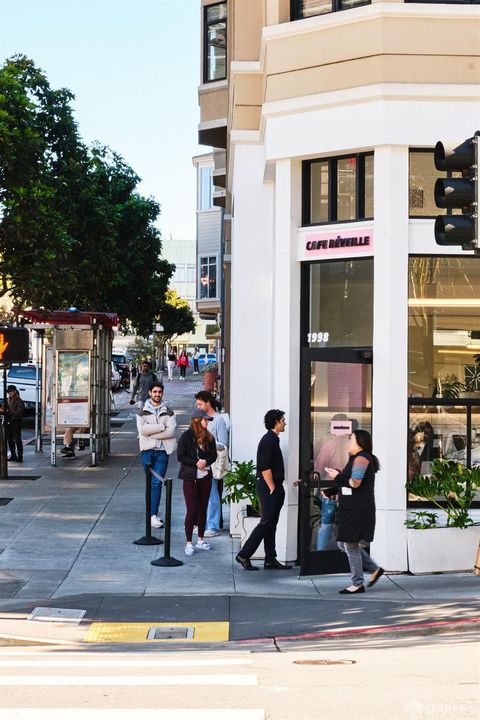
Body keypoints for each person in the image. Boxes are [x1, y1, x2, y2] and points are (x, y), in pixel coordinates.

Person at [323, 429, 384, 594]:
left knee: (349, 545)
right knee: (344, 544)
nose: (348, 441)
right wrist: (331, 491)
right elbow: (346, 483)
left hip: (357, 510)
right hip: (352, 509)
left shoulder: (362, 459)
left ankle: (357, 583)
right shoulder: (355, 459)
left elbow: (355, 483)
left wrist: (337, 476)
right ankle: (374, 569)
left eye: (351, 439)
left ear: (360, 442)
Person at [236, 409, 291, 571]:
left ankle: (270, 558)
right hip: (269, 487)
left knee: (271, 523)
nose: (285, 423)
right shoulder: (269, 440)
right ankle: (244, 554)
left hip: (272, 486)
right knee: (266, 522)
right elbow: (265, 466)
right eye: (282, 420)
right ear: (276, 422)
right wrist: (272, 487)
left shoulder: (273, 439)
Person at [136, 382, 177, 529]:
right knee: (150, 483)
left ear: (162, 393)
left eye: (159, 392)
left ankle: (153, 515)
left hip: (162, 453)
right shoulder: (141, 412)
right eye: (155, 392)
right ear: (150, 393)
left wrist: (152, 432)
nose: (157, 394)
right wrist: (161, 427)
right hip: (147, 451)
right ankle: (151, 513)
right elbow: (142, 430)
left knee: (157, 483)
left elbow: (171, 432)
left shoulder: (169, 412)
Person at [177, 408, 217, 556]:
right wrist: (196, 462)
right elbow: (180, 456)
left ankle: (200, 539)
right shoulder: (186, 437)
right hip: (190, 478)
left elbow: (214, 455)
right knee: (192, 509)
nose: (207, 422)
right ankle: (188, 542)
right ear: (197, 421)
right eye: (205, 419)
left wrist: (205, 461)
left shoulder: (209, 437)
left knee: (203, 508)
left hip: (205, 477)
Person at [195, 390, 229, 537]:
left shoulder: (218, 419)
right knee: (202, 494)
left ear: (208, 402)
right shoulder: (200, 419)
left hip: (213, 462)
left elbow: (223, 443)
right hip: (201, 462)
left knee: (212, 494)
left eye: (200, 404)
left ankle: (213, 525)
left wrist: (208, 443)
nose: (198, 407)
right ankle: (205, 523)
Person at [6, 385, 25, 462]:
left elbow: (19, 412)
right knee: (10, 439)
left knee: (17, 439)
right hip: (9, 422)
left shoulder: (19, 401)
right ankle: (13, 455)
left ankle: (20, 456)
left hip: (16, 422)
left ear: (14, 391)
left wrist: (10, 413)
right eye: (8, 391)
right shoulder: (8, 400)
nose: (9, 393)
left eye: (11, 391)